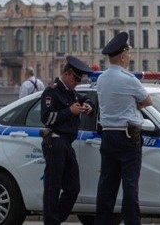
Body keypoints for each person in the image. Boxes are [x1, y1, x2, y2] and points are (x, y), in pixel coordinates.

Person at [95, 33, 152, 225]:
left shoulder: (101, 79)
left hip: (108, 135)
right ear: (122, 56)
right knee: (129, 184)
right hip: (128, 137)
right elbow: (147, 101)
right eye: (128, 53)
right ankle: (132, 222)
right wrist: (135, 106)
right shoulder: (128, 79)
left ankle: (102, 222)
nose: (130, 56)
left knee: (106, 185)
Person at [40, 56, 94, 225]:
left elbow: (85, 98)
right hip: (55, 142)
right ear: (67, 74)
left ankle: (56, 219)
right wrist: (69, 111)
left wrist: (88, 106)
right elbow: (46, 118)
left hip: (67, 144)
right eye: (76, 79)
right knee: (53, 186)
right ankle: (51, 221)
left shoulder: (71, 93)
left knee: (73, 187)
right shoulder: (52, 92)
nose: (77, 83)